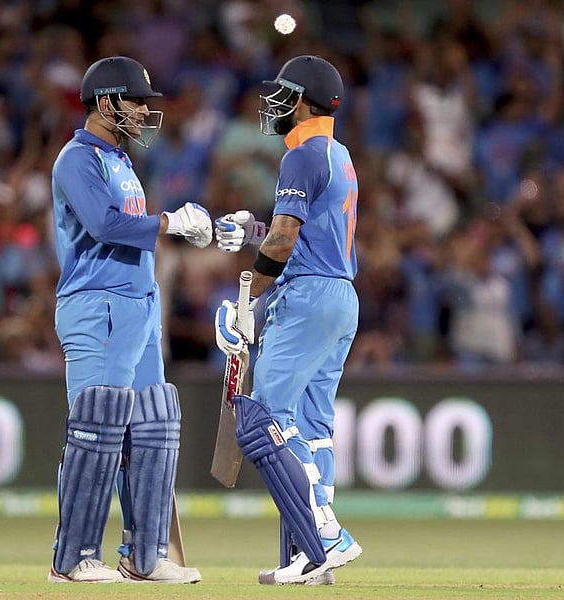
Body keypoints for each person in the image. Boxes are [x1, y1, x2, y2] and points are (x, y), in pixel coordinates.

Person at [47, 56, 209, 585]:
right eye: (135, 100)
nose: (143, 110)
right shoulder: (77, 159)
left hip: (139, 305)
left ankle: (145, 555)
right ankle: (71, 559)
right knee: (97, 427)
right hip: (97, 305)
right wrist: (169, 222)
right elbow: (103, 224)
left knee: (153, 427)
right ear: (105, 101)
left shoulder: (120, 160)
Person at [213, 55, 362, 585]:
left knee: (265, 420)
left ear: (300, 100)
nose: (274, 104)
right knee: (312, 426)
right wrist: (251, 229)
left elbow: (285, 240)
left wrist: (246, 297)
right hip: (340, 296)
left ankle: (323, 536)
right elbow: (305, 232)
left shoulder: (301, 154)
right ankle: (312, 551)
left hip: (307, 297)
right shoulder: (339, 155)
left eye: (281, 94)